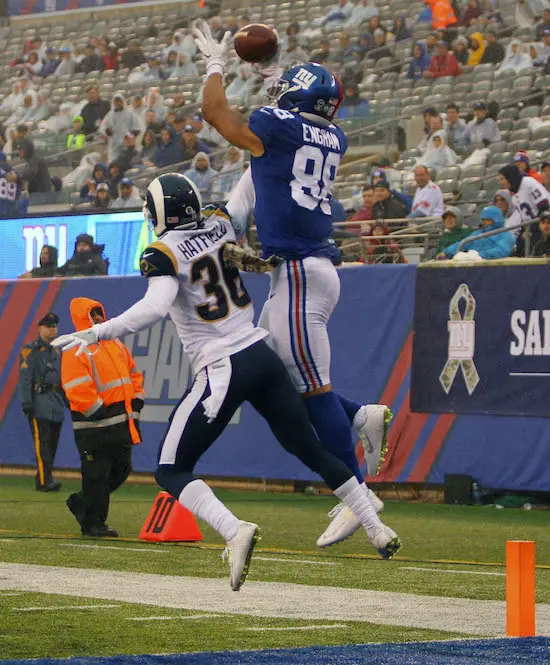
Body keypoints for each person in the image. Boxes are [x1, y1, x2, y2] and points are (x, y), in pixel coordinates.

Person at [53, 173, 401, 589]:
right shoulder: (220, 223)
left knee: (170, 469)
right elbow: (250, 182)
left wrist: (97, 331)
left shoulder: (163, 252)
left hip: (222, 368)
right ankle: (376, 527)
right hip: (260, 354)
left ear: (161, 212)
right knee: (309, 447)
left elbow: (154, 307)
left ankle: (234, 529)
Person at [192, 22, 393, 549]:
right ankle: (362, 415)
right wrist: (277, 74)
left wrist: (216, 64)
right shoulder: (333, 135)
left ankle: (358, 495)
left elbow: (216, 114)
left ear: (296, 100)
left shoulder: (278, 131)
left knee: (311, 388)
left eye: (284, 92)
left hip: (302, 273)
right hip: (304, 269)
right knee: (274, 376)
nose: (277, 96)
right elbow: (296, 117)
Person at [59, 298, 145, 537]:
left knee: (121, 469)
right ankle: (93, 523)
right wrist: (98, 411)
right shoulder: (74, 347)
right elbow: (75, 386)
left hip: (120, 423)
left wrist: (137, 399)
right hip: (93, 426)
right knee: (97, 474)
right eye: (92, 314)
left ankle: (83, 503)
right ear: (82, 318)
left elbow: (134, 373)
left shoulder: (114, 343)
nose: (98, 318)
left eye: (99, 313)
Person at [19, 312, 65, 492]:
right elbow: (25, 378)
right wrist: (26, 403)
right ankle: (46, 481)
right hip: (40, 403)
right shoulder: (30, 350)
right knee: (43, 445)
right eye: (48, 326)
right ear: (40, 328)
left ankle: (43, 479)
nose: (52, 329)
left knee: (52, 444)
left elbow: (62, 378)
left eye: (54, 326)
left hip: (56, 403)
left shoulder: (59, 350)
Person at [499, 164, 550, 255]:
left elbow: (544, 205)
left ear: (510, 176)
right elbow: (525, 218)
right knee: (519, 247)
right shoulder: (514, 196)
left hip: (544, 222)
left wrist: (532, 228)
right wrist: (525, 230)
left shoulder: (528, 183)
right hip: (533, 226)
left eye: (502, 178)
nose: (500, 182)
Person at [437, 205, 514, 260]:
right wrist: (446, 252)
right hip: (472, 264)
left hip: (491, 267)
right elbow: (462, 243)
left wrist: (479, 255)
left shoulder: (505, 235)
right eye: (483, 220)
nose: (484, 222)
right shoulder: (478, 233)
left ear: (496, 220)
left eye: (487, 220)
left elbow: (502, 250)